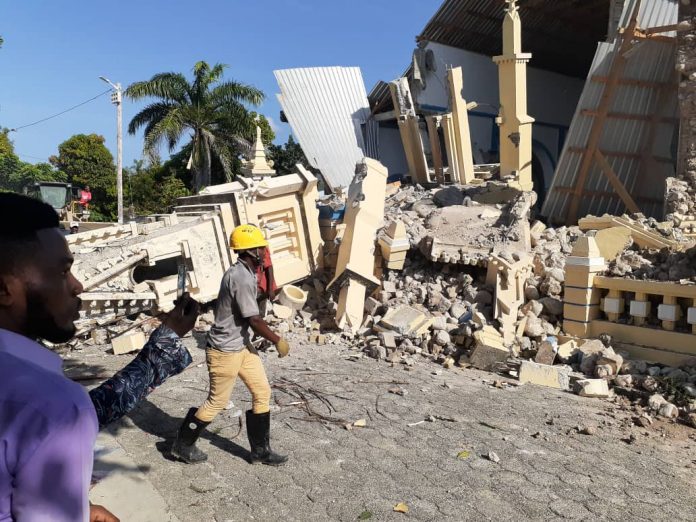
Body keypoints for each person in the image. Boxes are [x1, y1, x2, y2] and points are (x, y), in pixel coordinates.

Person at [0, 193, 199, 521]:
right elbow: (56, 417)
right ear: (4, 289)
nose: (77, 286)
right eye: (63, 272)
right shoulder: (54, 407)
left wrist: (79, 508)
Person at [171, 224, 291, 466]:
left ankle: (261, 451)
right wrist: (277, 340)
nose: (264, 251)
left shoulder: (246, 272)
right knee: (217, 402)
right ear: (250, 250)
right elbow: (254, 319)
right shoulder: (240, 278)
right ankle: (181, 445)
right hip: (224, 350)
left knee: (262, 392)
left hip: (242, 346)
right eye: (260, 247)